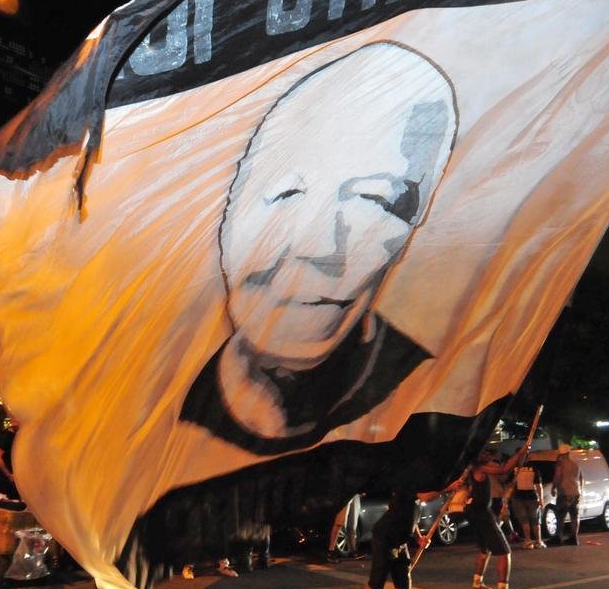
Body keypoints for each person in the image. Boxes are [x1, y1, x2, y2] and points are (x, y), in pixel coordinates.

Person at [179, 42, 458, 455]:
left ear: (410, 235)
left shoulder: (422, 401)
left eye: (375, 202)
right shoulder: (147, 391)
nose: (322, 246)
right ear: (228, 213)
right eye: (285, 192)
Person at [352, 486, 442, 589]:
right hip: (384, 540)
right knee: (376, 583)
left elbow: (411, 521)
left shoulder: (414, 502)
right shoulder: (406, 486)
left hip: (400, 543)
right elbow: (426, 496)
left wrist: (420, 539)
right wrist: (449, 488)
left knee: (404, 584)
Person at [462, 445, 528, 589]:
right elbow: (503, 470)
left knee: (485, 549)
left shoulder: (471, 469)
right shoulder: (480, 468)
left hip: (473, 511)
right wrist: (519, 453)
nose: (487, 454)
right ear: (478, 456)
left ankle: (477, 584)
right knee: (504, 551)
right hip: (482, 513)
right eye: (484, 451)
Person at [506, 461, 546, 549]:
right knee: (535, 519)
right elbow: (539, 485)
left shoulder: (515, 469)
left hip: (518, 497)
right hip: (532, 496)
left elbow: (510, 484)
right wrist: (540, 499)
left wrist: (507, 497)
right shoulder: (533, 469)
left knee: (524, 520)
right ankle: (538, 541)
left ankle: (528, 541)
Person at [553, 450, 584, 546]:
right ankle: (574, 537)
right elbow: (581, 478)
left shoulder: (561, 464)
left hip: (564, 492)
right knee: (574, 515)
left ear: (562, 454)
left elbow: (558, 476)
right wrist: (580, 490)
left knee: (560, 515)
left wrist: (554, 487)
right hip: (575, 492)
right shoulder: (576, 464)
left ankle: (558, 537)